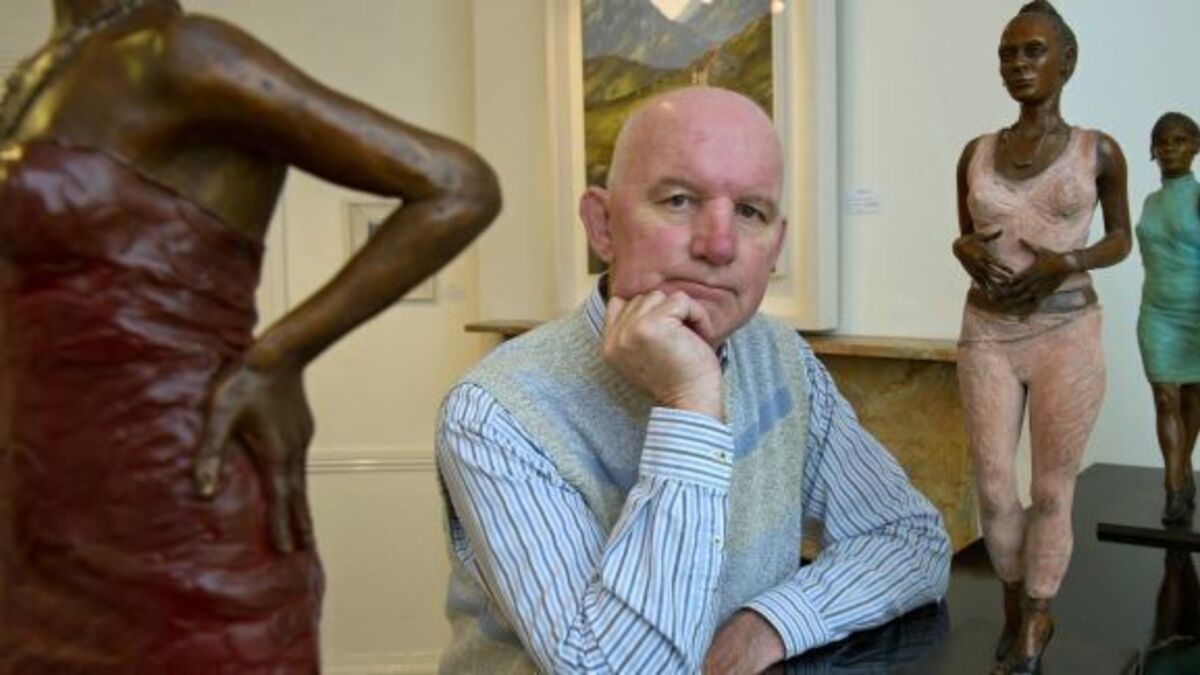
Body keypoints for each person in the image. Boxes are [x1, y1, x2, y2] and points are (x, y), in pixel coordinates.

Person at [0, 0, 500, 671]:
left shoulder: (182, 52)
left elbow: (458, 186)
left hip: (172, 490)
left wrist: (278, 356)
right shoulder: (43, 70)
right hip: (39, 511)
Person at [436, 86, 950, 675]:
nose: (719, 245)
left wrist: (774, 621)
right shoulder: (495, 413)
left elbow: (910, 537)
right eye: (679, 200)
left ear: (775, 248)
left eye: (750, 212)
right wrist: (689, 406)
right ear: (602, 225)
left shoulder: (781, 356)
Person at [952, 2, 1131, 673]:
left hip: (1066, 330)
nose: (1018, 65)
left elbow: (1120, 238)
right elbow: (967, 237)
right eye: (1008, 53)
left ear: (1067, 61)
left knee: (1053, 487)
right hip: (988, 330)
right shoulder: (976, 152)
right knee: (995, 487)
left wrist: (1070, 260)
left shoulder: (1097, 151)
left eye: (1032, 51)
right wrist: (960, 248)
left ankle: (1036, 613)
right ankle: (1011, 596)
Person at [1135, 112, 1200, 525]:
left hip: (1196, 313)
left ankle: (1183, 470)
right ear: (1152, 150)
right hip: (1157, 313)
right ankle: (1174, 485)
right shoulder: (1150, 202)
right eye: (1162, 141)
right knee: (1164, 395)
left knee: (1193, 396)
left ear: (1195, 147)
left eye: (1180, 140)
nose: (1170, 149)